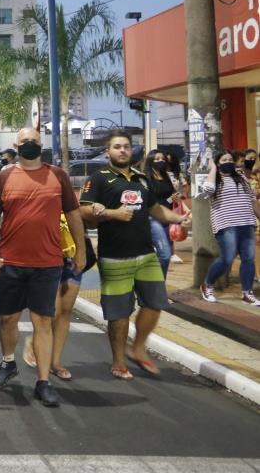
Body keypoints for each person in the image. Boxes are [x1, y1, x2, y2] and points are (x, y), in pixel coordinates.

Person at [0, 127, 86, 408]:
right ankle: (8, 363)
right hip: (11, 262)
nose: (29, 144)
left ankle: (43, 381)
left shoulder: (58, 176)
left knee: (43, 322)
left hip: (48, 263)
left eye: (34, 142)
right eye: (24, 141)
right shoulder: (4, 177)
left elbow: (74, 213)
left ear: (42, 146)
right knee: (8, 319)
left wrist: (81, 250)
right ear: (15, 146)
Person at [79, 131, 191, 380]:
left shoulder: (142, 180)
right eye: (117, 147)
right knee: (119, 313)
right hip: (114, 257)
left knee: (156, 303)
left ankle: (138, 347)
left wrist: (180, 218)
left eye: (126, 146)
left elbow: (156, 209)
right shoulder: (98, 178)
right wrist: (112, 214)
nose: (122, 150)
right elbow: (83, 210)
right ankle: (118, 361)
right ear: (108, 152)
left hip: (146, 255)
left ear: (132, 150)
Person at [22, 213, 94, 381]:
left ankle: (55, 363)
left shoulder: (79, 190)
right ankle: (34, 341)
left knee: (66, 311)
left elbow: (86, 217)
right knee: (52, 310)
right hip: (48, 253)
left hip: (73, 253)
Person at [198, 151, 260, 306]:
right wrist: (212, 168)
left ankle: (247, 293)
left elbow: (252, 201)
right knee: (227, 259)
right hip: (226, 225)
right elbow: (208, 190)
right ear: (218, 163)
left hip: (247, 223)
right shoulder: (214, 180)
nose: (228, 162)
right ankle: (207, 285)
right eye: (224, 160)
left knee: (248, 259)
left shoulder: (242, 178)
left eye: (231, 160)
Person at [143, 150, 188, 278]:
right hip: (152, 219)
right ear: (150, 161)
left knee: (165, 256)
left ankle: (158, 286)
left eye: (162, 159)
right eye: (156, 159)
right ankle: (153, 286)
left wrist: (173, 198)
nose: (160, 161)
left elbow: (173, 196)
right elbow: (150, 200)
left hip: (167, 217)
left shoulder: (168, 177)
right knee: (165, 254)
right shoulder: (145, 178)